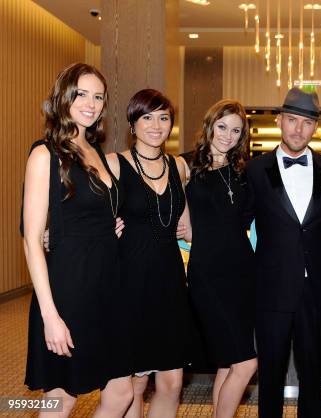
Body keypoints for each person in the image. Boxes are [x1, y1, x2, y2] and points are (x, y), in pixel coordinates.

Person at [21, 63, 133, 417]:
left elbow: (88, 209)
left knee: (121, 390)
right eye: (82, 94)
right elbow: (32, 239)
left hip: (106, 287)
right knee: (62, 398)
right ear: (64, 96)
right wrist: (50, 314)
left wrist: (108, 227)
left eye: (98, 96)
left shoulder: (96, 150)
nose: (91, 103)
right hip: (69, 291)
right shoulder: (45, 154)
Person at [244, 87, 321, 418]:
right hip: (270, 287)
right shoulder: (255, 170)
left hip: (316, 289)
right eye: (292, 120)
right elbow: (236, 221)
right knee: (269, 375)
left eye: (306, 123)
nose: (298, 130)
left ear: (316, 128)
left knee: (312, 373)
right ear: (279, 120)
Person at [105, 89, 192, 418]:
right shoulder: (114, 164)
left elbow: (185, 225)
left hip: (170, 281)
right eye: (147, 117)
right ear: (133, 123)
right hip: (128, 282)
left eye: (164, 117)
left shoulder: (178, 166)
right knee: (133, 385)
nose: (156, 125)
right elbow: (89, 215)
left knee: (171, 382)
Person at [185, 99, 257, 418]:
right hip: (207, 273)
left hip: (242, 272)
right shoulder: (186, 166)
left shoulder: (244, 173)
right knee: (247, 362)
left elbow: (251, 219)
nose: (228, 135)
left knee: (229, 362)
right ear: (210, 125)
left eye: (236, 130)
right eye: (222, 126)